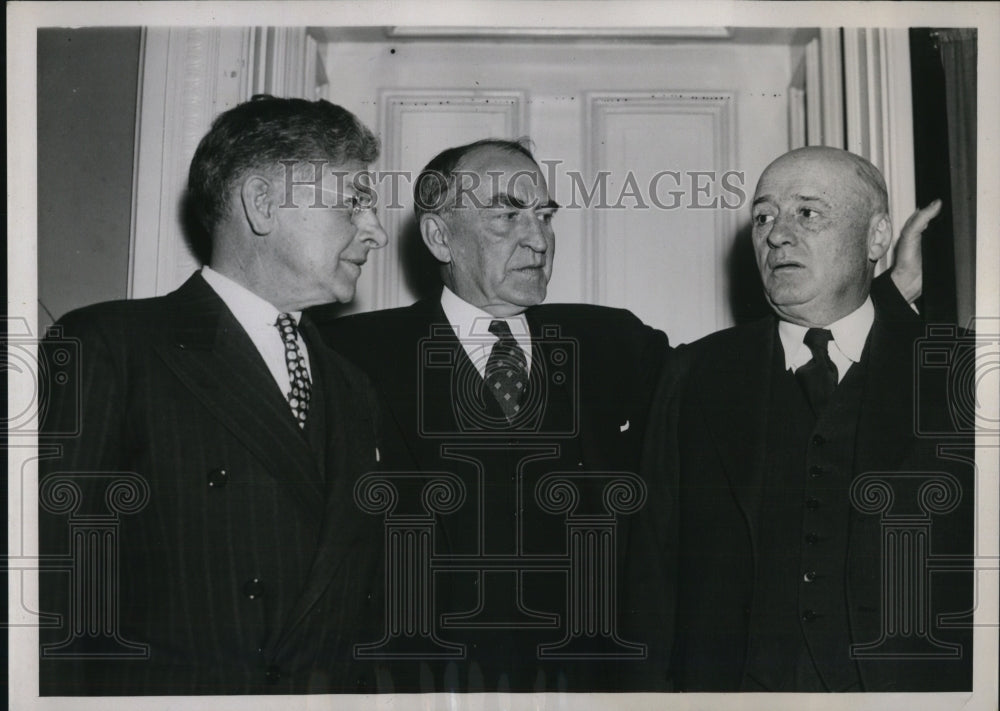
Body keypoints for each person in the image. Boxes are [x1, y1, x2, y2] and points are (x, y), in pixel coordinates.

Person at [313, 138, 930, 692]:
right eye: (508, 216)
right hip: (419, 685)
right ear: (441, 238)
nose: (538, 238)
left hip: (587, 685)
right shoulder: (352, 355)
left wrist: (882, 299)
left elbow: (755, 378)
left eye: (545, 216)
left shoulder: (612, 341)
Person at [38, 95, 396, 695]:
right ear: (262, 205)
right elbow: (51, 593)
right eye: (354, 203)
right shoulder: (110, 346)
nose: (376, 231)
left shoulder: (354, 387)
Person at [666, 146, 973, 692]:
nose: (776, 234)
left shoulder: (960, 373)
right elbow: (652, 571)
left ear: (877, 238)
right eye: (763, 217)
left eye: (808, 213)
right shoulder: (697, 373)